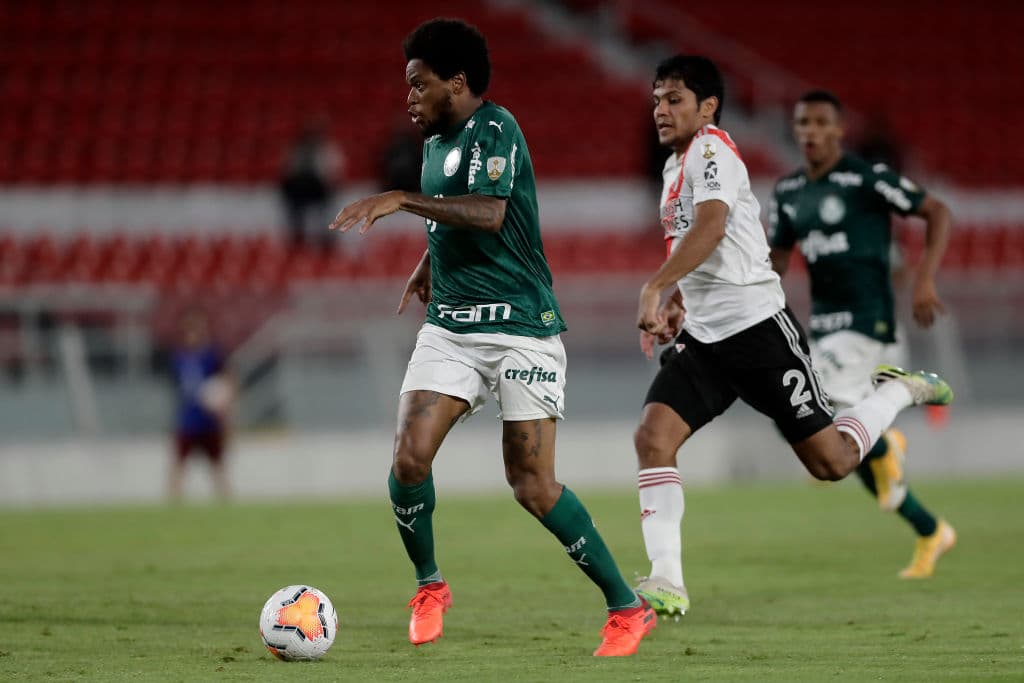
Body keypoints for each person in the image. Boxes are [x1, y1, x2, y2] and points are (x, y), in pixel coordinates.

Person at [329, 18, 655, 657]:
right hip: (451, 327)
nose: (410, 96)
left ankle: (627, 607)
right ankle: (430, 587)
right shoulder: (433, 144)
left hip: (521, 331)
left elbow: (489, 212)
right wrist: (428, 265)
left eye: (419, 84)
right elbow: (452, 222)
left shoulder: (496, 128)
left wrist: (401, 199)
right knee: (407, 458)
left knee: (532, 486)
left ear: (457, 82)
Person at [631, 56, 953, 617]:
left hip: (759, 332)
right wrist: (680, 304)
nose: (661, 109)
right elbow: (710, 247)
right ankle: (668, 580)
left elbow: (710, 224)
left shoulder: (712, 150)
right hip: (706, 340)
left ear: (707, 107)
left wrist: (656, 287)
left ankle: (899, 391)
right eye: (657, 99)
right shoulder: (673, 168)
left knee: (830, 463)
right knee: (653, 437)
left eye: (674, 99)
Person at [768, 90, 956, 578]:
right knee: (843, 454)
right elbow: (778, 259)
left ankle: (890, 432)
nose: (808, 131)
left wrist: (924, 279)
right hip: (828, 328)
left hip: (867, 322)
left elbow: (936, 211)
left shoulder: (865, 179)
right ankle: (930, 529)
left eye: (818, 122)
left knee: (808, 410)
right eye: (801, 122)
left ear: (838, 129)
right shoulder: (788, 192)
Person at [168, 310, 233, 500]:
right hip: (188, 419)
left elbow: (227, 380)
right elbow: (179, 389)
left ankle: (226, 502)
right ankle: (173, 504)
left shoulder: (213, 356)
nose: (194, 333)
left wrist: (224, 404)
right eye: (190, 329)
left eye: (197, 328)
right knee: (179, 465)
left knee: (217, 465)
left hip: (210, 420)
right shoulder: (178, 357)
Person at [279, 114, 344, 250]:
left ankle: (327, 239)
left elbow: (334, 173)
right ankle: (298, 238)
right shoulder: (297, 150)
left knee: (327, 212)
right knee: (295, 209)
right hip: (300, 191)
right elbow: (287, 171)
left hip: (320, 190)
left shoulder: (328, 150)